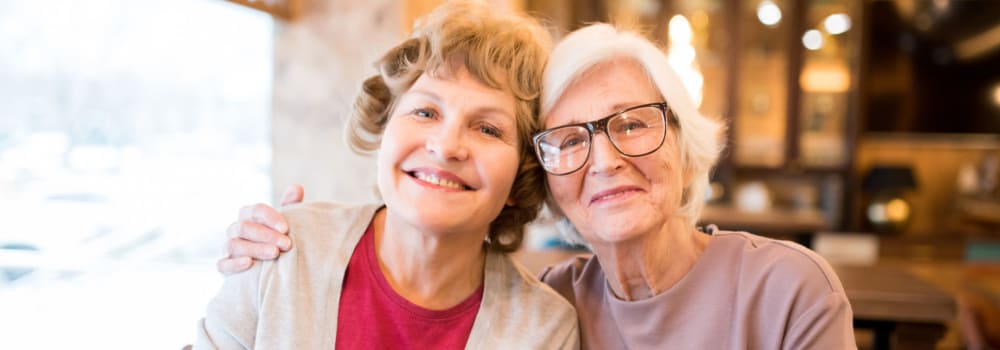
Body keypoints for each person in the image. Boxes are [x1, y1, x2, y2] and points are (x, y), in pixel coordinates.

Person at [220, 23, 856, 349]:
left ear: (686, 146)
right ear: (548, 176)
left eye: (633, 125)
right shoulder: (559, 305)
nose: (604, 160)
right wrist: (271, 249)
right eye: (572, 139)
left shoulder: (786, 292)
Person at [194, 1, 578, 349]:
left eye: (488, 129)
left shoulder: (543, 329)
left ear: (522, 174)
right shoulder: (282, 250)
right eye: (426, 112)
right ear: (384, 127)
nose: (446, 147)